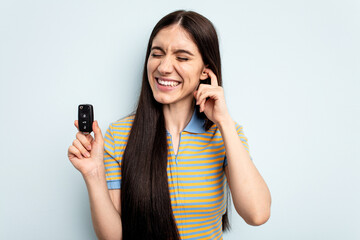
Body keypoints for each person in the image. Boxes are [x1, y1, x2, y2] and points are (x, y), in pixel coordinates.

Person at [68, 10, 271, 240]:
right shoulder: (119, 135)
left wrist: (223, 121)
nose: (164, 67)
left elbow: (257, 213)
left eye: (182, 57)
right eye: (157, 54)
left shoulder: (227, 134)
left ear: (205, 71)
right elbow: (114, 237)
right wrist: (94, 174)